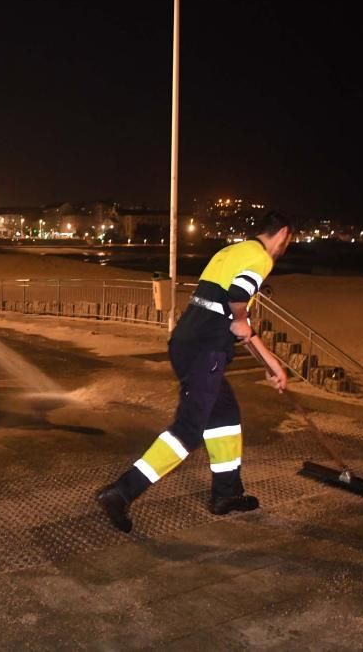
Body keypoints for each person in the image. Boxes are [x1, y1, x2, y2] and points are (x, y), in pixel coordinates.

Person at [96, 211, 294, 533]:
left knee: (224, 416)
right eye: (289, 240)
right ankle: (121, 492)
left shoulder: (231, 252)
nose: (286, 246)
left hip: (186, 344)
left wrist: (271, 363)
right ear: (282, 233)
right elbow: (238, 300)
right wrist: (242, 317)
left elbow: (227, 315)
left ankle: (227, 495)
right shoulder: (260, 257)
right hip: (206, 351)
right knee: (188, 430)